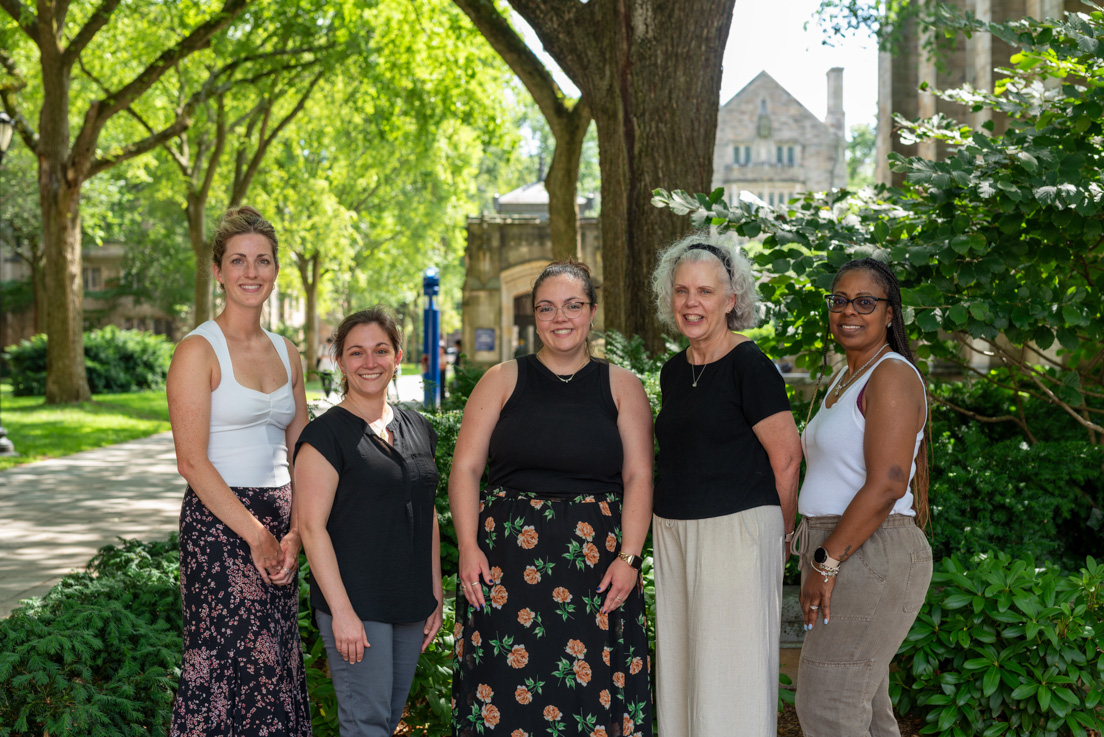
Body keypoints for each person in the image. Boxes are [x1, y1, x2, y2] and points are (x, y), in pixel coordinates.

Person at [449, 260, 654, 737]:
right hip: (503, 570)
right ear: (534, 315)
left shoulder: (622, 386)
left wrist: (630, 557)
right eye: (547, 308)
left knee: (591, 696)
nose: (560, 318)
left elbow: (640, 476)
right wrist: (467, 545)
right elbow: (466, 469)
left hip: (597, 570)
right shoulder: (501, 379)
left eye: (573, 305)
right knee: (502, 690)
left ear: (592, 311)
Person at [649, 232, 801, 736]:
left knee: (730, 671)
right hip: (674, 533)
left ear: (731, 300)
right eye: (682, 291)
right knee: (683, 669)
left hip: (737, 534)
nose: (692, 303)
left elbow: (787, 458)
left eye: (706, 292)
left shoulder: (750, 366)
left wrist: (779, 538)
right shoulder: (674, 372)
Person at [167, 205, 310, 735]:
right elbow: (191, 461)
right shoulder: (197, 350)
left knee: (275, 663)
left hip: (282, 524)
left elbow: (303, 454)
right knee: (226, 663)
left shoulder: (288, 353)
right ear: (218, 271)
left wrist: (296, 534)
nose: (252, 272)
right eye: (239, 261)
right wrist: (255, 534)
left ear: (275, 271)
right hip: (220, 525)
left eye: (263, 261)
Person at [792, 257, 932, 736]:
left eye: (865, 302)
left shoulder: (890, 374)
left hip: (865, 549)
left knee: (827, 704)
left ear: (890, 313)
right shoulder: (846, 375)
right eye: (839, 301)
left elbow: (889, 483)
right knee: (865, 708)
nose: (849, 311)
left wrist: (825, 561)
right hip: (847, 546)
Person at [295, 307, 444, 736]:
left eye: (381, 351)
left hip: (408, 601)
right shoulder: (324, 437)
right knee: (367, 727)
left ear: (398, 357)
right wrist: (342, 613)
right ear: (339, 361)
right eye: (356, 353)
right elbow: (311, 528)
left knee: (386, 721)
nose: (370, 362)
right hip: (356, 605)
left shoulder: (416, 426)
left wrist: (433, 589)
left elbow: (426, 509)